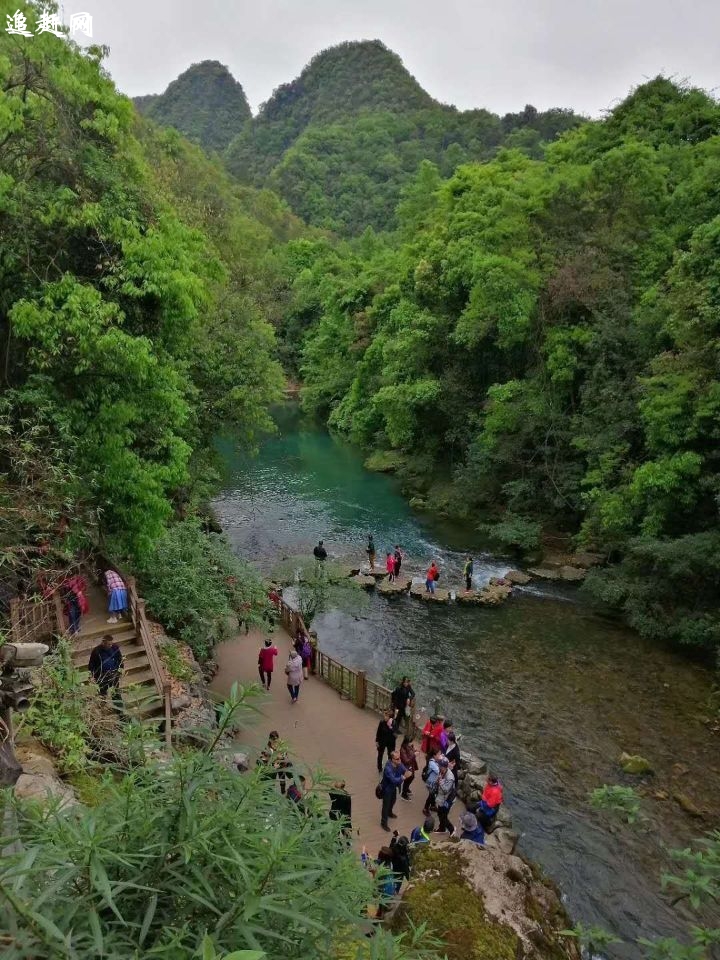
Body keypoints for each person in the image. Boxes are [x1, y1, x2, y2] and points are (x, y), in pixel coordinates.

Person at [379, 750, 411, 831]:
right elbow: (393, 780)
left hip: (393, 788)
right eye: (397, 759)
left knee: (393, 801)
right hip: (387, 789)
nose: (399, 760)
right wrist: (403, 777)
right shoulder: (388, 768)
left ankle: (390, 813)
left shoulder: (399, 764)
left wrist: (408, 771)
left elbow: (404, 770)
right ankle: (383, 823)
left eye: (399, 758)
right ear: (392, 759)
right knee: (385, 806)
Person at [88, 634, 124, 706]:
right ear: (103, 643)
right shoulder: (96, 651)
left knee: (116, 693)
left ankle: (120, 711)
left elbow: (120, 659)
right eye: (108, 644)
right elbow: (91, 664)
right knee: (102, 692)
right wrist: (92, 676)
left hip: (114, 675)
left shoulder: (115, 647)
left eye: (111, 644)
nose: (110, 645)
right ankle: (103, 705)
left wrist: (120, 671)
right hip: (102, 677)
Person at [434, 758, 457, 836]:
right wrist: (437, 781)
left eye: (440, 766)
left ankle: (452, 830)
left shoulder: (450, 777)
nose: (439, 767)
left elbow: (446, 790)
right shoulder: (442, 771)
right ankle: (442, 828)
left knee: (443, 816)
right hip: (441, 799)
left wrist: (440, 782)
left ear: (444, 767)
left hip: (447, 800)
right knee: (440, 814)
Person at [373, 847, 396, 919]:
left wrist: (373, 873)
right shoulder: (389, 863)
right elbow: (377, 861)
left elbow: (377, 882)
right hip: (390, 888)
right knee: (382, 906)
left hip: (385, 892)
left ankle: (379, 921)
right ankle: (380, 912)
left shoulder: (383, 871)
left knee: (383, 909)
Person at [421, 747, 442, 817]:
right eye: (439, 754)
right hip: (431, 783)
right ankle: (425, 809)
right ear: (434, 755)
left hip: (434, 782)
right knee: (431, 796)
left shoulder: (435, 761)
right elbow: (439, 771)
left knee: (433, 794)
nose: (440, 755)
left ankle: (432, 806)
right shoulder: (432, 762)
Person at [399, 735, 418, 800]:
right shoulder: (402, 749)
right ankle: (404, 794)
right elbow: (406, 761)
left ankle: (406, 789)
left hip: (411, 766)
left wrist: (414, 750)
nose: (411, 743)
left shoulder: (409, 746)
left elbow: (411, 752)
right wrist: (414, 755)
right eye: (410, 742)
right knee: (408, 779)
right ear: (407, 742)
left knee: (411, 777)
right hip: (406, 767)